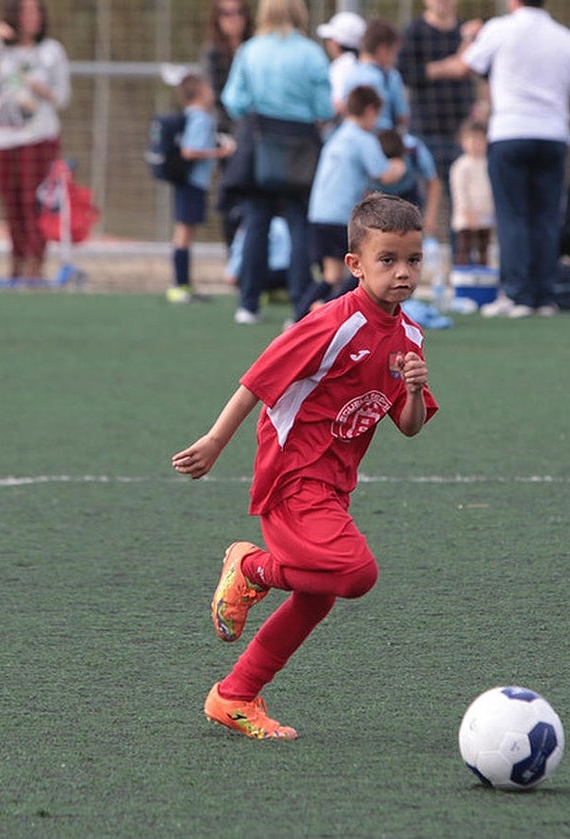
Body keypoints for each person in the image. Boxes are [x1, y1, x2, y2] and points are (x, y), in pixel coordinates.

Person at [171, 192, 438, 739]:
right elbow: (259, 377)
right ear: (355, 265)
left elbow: (408, 425)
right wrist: (217, 440)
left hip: (335, 481)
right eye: (387, 260)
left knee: (316, 598)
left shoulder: (409, 335)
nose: (403, 273)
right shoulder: (332, 323)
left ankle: (235, 696)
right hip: (294, 471)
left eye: (412, 260)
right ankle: (252, 570)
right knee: (357, 574)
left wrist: (412, 390)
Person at [428, 0, 570, 318]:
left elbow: (465, 66)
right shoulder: (566, 37)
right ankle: (543, 296)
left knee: (513, 216)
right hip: (552, 137)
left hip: (510, 134)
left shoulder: (499, 29)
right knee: (546, 217)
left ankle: (517, 294)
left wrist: (449, 54)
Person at [220, 0, 333, 326]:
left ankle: (248, 303)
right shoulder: (311, 53)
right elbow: (324, 109)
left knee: (257, 222)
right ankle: (300, 306)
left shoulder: (250, 51)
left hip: (259, 146)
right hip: (302, 148)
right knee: (299, 224)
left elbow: (234, 102)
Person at [0, 0, 70, 282]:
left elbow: (63, 97)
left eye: (36, 12)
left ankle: (36, 261)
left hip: (38, 135)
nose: (32, 18)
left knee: (33, 201)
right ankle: (16, 259)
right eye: (26, 12)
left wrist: (41, 91)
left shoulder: (50, 51)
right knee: (11, 203)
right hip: (0, 136)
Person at [300, 85, 405, 315]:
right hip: (341, 216)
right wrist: (399, 162)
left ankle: (300, 317)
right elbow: (385, 174)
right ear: (369, 111)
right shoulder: (362, 139)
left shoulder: (337, 134)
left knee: (332, 274)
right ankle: (329, 313)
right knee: (363, 271)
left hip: (319, 213)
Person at [397, 0, 482, 236]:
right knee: (415, 204)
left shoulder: (466, 32)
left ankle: (461, 263)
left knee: (464, 204)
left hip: (461, 133)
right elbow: (404, 72)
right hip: (425, 130)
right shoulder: (414, 31)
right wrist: (447, 67)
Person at [167, 73, 233, 304]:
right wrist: (220, 153)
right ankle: (180, 284)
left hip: (191, 183)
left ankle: (185, 283)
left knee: (186, 233)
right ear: (201, 92)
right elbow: (189, 151)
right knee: (184, 234)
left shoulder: (192, 116)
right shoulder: (200, 118)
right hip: (192, 183)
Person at [200, 0, 254, 248]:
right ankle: (234, 256)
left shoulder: (256, 49)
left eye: (238, 12)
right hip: (229, 136)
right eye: (226, 13)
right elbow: (219, 100)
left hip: (258, 133)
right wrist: (235, 134)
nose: (233, 18)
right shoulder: (214, 53)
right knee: (231, 197)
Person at [341, 18, 409, 133]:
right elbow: (402, 115)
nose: (396, 58)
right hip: (384, 140)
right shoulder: (390, 76)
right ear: (382, 50)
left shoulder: (350, 74)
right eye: (394, 52)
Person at [372, 128, 441, 240]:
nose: (393, 175)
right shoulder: (368, 152)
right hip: (377, 195)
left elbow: (433, 182)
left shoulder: (415, 150)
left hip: (408, 194)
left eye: (396, 169)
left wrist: (430, 215)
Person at [449, 118, 494, 265]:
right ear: (463, 141)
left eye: (479, 139)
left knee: (484, 248)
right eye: (470, 139)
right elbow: (459, 191)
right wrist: (466, 211)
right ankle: (462, 277)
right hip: (466, 217)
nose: (475, 144)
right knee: (464, 248)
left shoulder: (490, 163)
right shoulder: (461, 165)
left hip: (486, 215)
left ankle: (482, 278)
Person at [314, 10, 365, 117]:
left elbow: (336, 104)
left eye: (329, 39)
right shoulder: (362, 66)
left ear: (336, 42)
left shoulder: (340, 67)